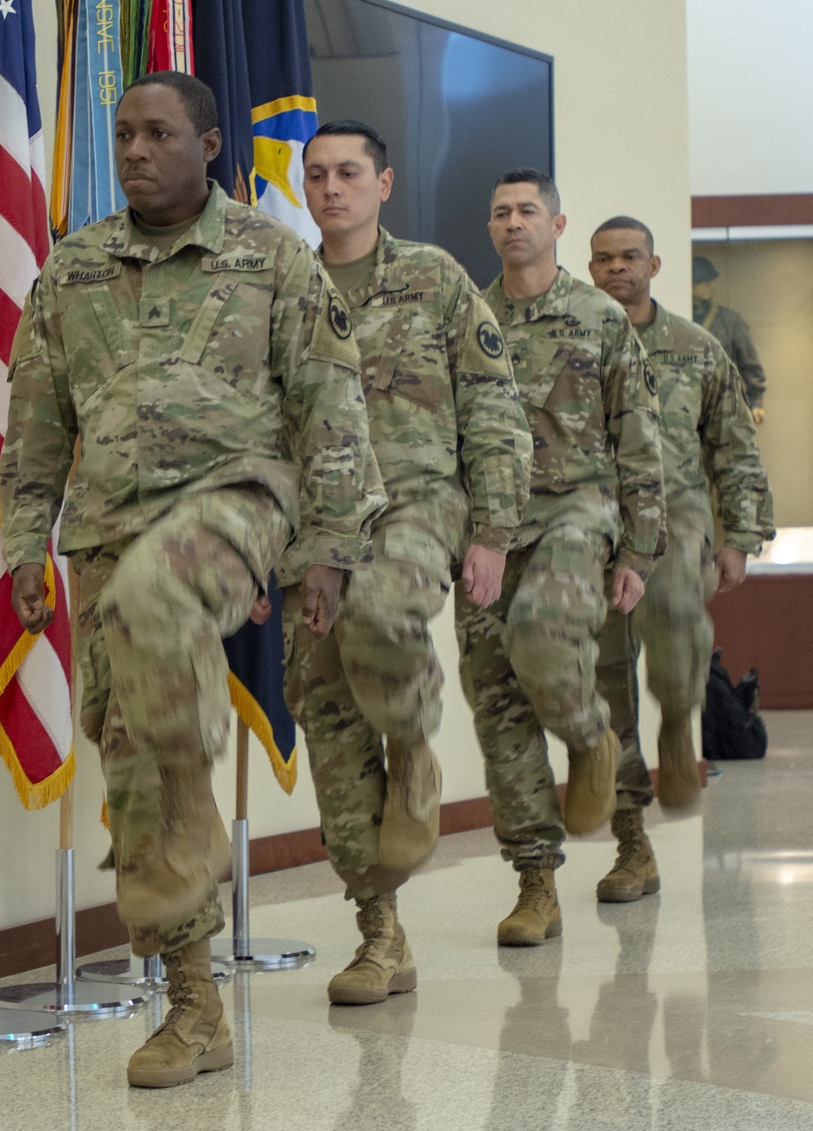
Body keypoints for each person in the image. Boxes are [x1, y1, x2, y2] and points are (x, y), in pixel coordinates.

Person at [0, 73, 385, 1088]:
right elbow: (38, 423)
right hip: (105, 533)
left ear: (209, 145)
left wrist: (330, 551)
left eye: (158, 132)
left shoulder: (271, 258)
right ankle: (195, 1010)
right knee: (129, 772)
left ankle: (189, 784)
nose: (133, 149)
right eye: (123, 133)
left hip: (234, 499)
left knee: (159, 601)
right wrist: (24, 547)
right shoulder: (71, 270)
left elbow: (331, 409)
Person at [283, 121, 532, 1003]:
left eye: (348, 172)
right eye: (315, 175)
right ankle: (381, 934)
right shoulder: (282, 286)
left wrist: (494, 530)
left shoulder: (433, 279)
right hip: (312, 526)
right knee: (330, 720)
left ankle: (418, 743)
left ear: (385, 183)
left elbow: (494, 404)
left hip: (415, 502)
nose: (330, 189)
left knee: (384, 613)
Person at [455, 170, 666, 946]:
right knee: (496, 701)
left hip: (576, 513)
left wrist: (640, 548)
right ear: (491, 227)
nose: (515, 223)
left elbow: (638, 437)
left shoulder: (599, 317)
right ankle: (534, 882)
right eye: (502, 211)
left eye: (528, 211)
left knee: (545, 640)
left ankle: (588, 737)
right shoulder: (467, 318)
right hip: (488, 530)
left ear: (557, 222)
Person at [590, 218, 774, 900]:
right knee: (606, 683)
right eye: (604, 258)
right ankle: (631, 843)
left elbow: (733, 445)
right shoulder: (578, 343)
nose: (617, 269)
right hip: (597, 522)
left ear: (655, 264)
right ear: (590, 266)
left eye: (630, 256)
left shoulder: (696, 348)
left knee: (671, 617)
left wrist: (740, 537)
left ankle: (676, 716)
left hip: (677, 514)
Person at [692, 256, 768, 424]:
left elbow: (749, 363)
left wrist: (756, 402)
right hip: (686, 405)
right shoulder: (678, 318)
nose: (709, 286)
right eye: (703, 281)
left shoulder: (729, 321)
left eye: (710, 281)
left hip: (723, 404)